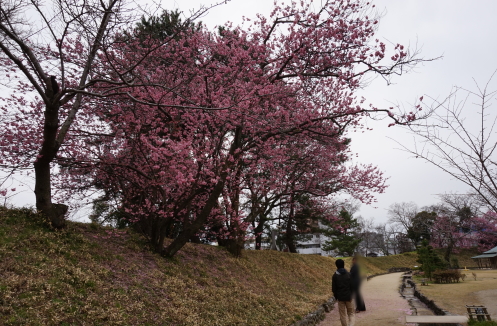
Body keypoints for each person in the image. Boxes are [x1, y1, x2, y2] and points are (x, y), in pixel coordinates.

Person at [332, 259, 355, 326]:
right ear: (343, 265)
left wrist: (337, 297)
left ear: (336, 266)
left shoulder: (335, 276)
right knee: (351, 313)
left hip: (340, 298)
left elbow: (334, 289)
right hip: (349, 297)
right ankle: (351, 324)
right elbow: (352, 286)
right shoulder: (348, 274)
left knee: (342, 315)